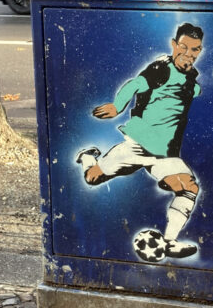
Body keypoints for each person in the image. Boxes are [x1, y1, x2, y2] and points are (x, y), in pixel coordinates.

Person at [76, 23, 204, 260]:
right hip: (137, 145)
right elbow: (135, 84)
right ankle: (87, 158)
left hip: (164, 153)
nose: (188, 54)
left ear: (199, 51)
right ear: (174, 45)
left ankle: (169, 242)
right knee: (92, 177)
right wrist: (117, 106)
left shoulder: (191, 80)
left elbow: (190, 92)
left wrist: (193, 89)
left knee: (189, 187)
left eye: (194, 49)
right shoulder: (161, 69)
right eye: (183, 47)